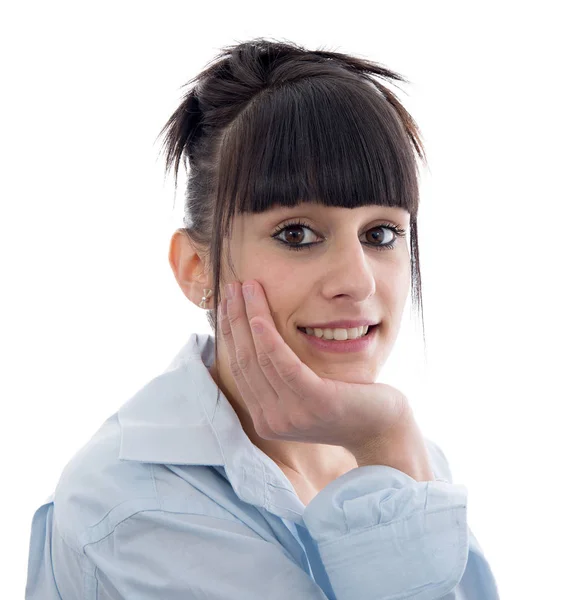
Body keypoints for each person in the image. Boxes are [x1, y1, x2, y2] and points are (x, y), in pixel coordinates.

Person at [25, 37, 500, 599]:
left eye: (381, 234)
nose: (358, 281)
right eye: (297, 234)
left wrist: (389, 448)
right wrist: (389, 442)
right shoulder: (133, 505)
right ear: (197, 267)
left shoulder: (397, 450)